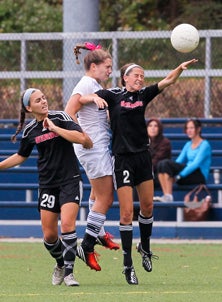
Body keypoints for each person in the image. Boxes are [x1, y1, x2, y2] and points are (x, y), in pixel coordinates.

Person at [78, 58, 198, 285]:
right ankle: (127, 265)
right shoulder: (112, 95)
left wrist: (179, 68)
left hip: (143, 158)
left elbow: (167, 81)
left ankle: (145, 246)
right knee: (125, 214)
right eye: (137, 75)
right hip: (122, 160)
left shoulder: (143, 95)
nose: (141, 79)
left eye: (142, 76)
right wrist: (92, 97)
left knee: (148, 206)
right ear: (125, 77)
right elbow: (79, 100)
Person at [0, 88, 93, 286]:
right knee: (50, 236)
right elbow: (21, 156)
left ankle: (69, 274)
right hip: (47, 185)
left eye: (44, 97)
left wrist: (56, 129)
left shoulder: (61, 117)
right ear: (28, 107)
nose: (43, 101)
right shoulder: (30, 130)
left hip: (70, 180)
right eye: (37, 100)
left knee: (68, 226)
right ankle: (60, 263)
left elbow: (84, 140)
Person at [65, 42, 120, 272]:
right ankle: (86, 245)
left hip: (97, 146)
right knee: (106, 198)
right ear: (94, 66)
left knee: (98, 194)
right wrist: (83, 136)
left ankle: (96, 232)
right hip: (93, 147)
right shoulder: (87, 83)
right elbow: (69, 111)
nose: (110, 70)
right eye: (107, 66)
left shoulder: (94, 84)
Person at [155, 118, 212, 202]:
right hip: (187, 175)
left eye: (191, 128)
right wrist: (173, 171)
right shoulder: (188, 144)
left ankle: (168, 196)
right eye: (187, 128)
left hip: (199, 175)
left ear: (198, 129)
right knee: (161, 164)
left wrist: (179, 176)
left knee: (166, 164)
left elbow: (195, 164)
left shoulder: (205, 145)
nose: (189, 130)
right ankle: (167, 196)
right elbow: (179, 161)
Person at [147, 118, 172, 187]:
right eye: (150, 126)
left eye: (156, 126)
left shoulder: (165, 142)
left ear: (159, 128)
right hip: (146, 172)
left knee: (141, 179)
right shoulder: (143, 142)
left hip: (159, 175)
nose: (153, 128)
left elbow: (156, 161)